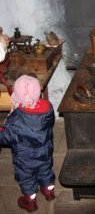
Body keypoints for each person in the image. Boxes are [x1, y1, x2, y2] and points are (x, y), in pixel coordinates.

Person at [0, 74, 56, 212]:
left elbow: (4, 138)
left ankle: (30, 202)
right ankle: (49, 192)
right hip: (45, 152)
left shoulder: (16, 121)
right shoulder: (47, 109)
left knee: (27, 178)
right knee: (45, 171)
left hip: (25, 158)